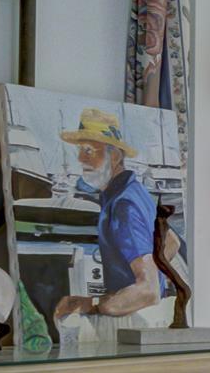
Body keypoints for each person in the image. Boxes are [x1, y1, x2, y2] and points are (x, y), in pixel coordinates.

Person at [48, 108, 164, 332]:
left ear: (114, 156)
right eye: (80, 150)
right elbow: (171, 244)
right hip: (142, 316)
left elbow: (148, 291)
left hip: (130, 321)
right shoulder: (136, 191)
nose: (81, 159)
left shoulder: (123, 205)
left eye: (89, 150)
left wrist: (93, 304)